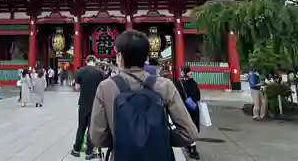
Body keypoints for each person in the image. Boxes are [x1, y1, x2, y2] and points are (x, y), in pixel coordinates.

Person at [89, 30, 198, 161]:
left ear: (119, 57)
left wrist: (124, 139)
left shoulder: (106, 87)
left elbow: (97, 137)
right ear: (146, 57)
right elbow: (189, 133)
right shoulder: (165, 85)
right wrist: (159, 136)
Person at [70, 55, 105, 159]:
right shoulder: (99, 73)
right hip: (95, 104)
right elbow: (102, 87)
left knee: (81, 127)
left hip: (83, 103)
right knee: (91, 128)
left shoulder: (80, 71)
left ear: (86, 61)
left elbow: (77, 87)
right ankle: (89, 153)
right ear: (94, 61)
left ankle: (76, 149)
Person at [176, 66, 202, 159]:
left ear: (183, 73)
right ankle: (193, 148)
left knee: (186, 128)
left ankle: (191, 148)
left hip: (184, 109)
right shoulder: (194, 83)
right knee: (193, 127)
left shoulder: (180, 83)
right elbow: (198, 97)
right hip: (194, 108)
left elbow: (177, 97)